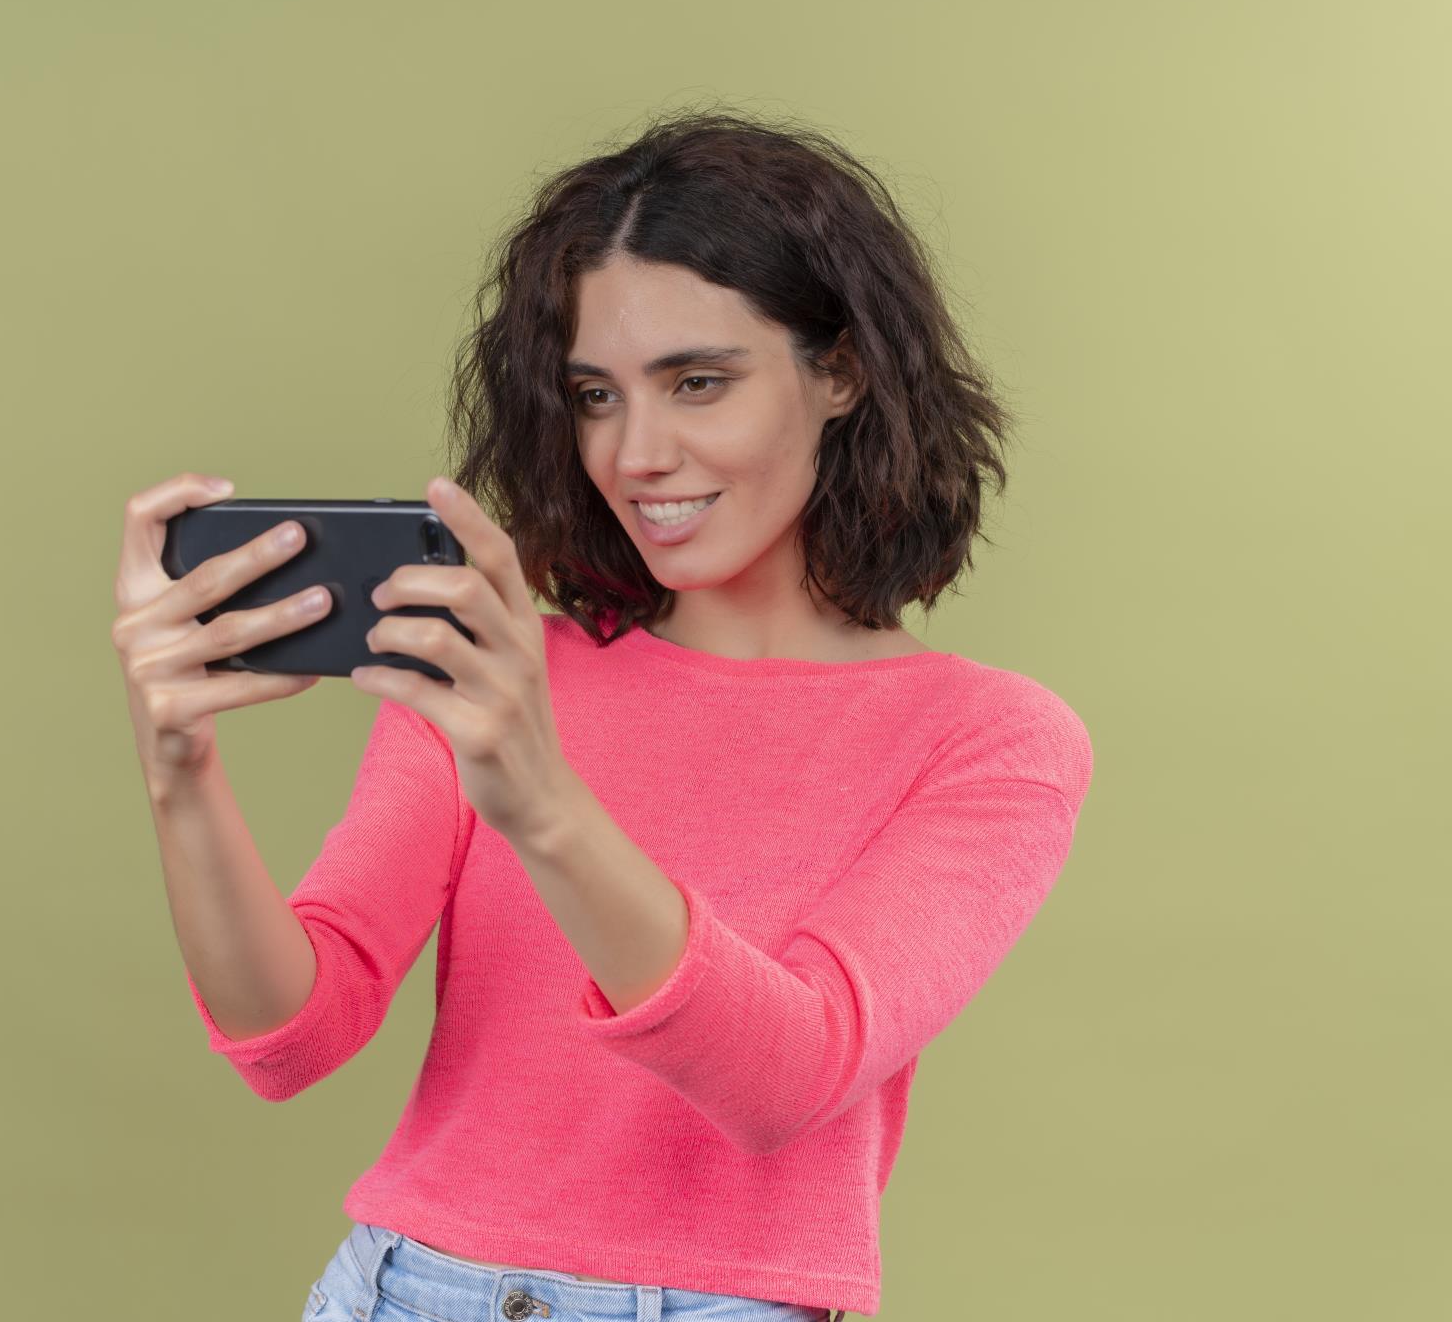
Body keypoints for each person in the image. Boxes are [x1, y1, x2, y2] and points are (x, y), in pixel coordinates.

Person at [111, 105, 1094, 1321]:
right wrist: (180, 768)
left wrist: (543, 803)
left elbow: (790, 1074)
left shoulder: (988, 740)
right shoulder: (508, 677)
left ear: (840, 369)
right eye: (594, 395)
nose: (636, 454)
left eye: (698, 382)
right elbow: (292, 1036)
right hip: (403, 1291)